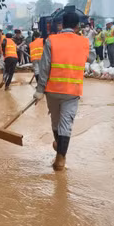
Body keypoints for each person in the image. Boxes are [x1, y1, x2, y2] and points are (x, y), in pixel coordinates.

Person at [34, 10, 89, 171]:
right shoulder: (84, 42)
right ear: (77, 26)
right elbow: (91, 58)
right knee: (66, 124)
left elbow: (44, 67)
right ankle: (60, 159)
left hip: (52, 90)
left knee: (55, 121)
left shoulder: (51, 40)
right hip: (72, 91)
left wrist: (39, 90)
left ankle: (59, 147)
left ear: (62, 24)